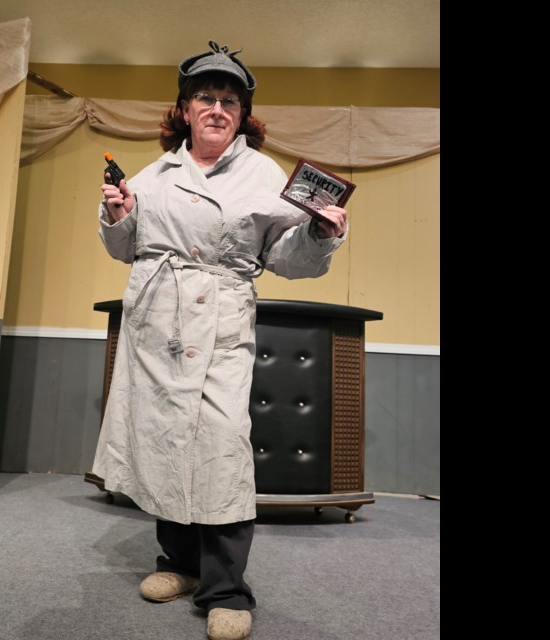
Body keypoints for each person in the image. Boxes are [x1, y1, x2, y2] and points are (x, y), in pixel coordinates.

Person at [91, 40, 347, 640]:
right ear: (184, 109)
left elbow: (290, 259)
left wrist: (317, 230)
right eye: (204, 97)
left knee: (222, 448)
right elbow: (124, 248)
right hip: (157, 319)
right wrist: (118, 214)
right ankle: (176, 564)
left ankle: (227, 588)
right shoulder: (154, 175)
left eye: (228, 100)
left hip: (220, 319)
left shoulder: (262, 173)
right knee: (164, 437)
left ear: (242, 114)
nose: (216, 107)